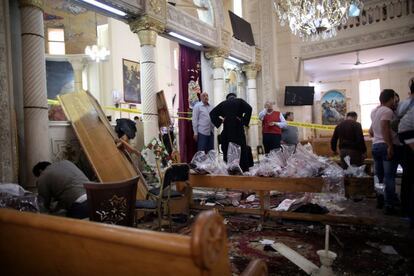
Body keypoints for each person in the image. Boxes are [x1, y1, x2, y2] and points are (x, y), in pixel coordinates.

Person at [370, 89, 400, 214]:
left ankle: (380, 199)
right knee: (389, 177)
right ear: (391, 98)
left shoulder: (375, 111)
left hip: (375, 146)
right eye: (395, 99)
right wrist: (389, 145)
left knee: (379, 176)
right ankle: (389, 206)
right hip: (384, 145)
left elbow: (371, 131)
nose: (396, 102)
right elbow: (384, 128)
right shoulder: (387, 111)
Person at [210, 93, 252, 171]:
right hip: (238, 130)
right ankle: (243, 169)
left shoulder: (223, 103)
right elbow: (249, 108)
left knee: (228, 150)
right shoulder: (240, 101)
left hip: (227, 132)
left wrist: (221, 120)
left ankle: (230, 169)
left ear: (227, 98)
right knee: (241, 149)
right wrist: (243, 120)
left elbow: (212, 113)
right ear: (235, 97)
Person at [397, 78, 414, 220]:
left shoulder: (404, 104)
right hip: (407, 138)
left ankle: (406, 208)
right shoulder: (408, 104)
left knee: (408, 176)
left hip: (403, 141)